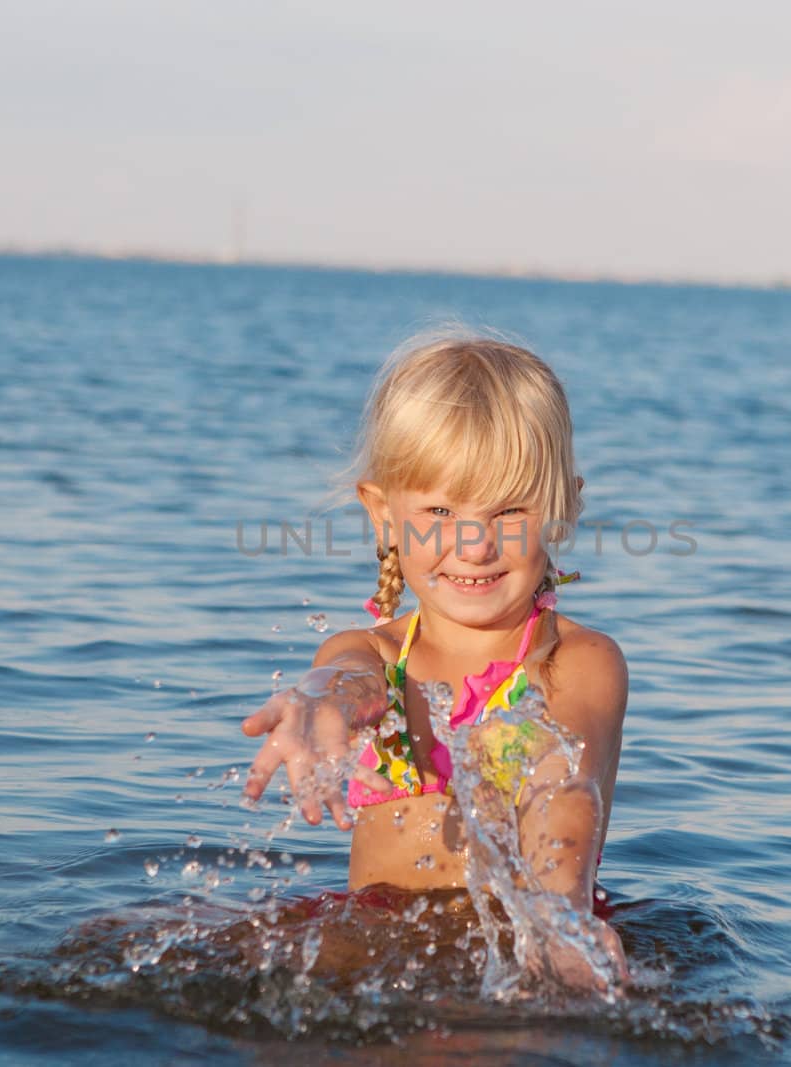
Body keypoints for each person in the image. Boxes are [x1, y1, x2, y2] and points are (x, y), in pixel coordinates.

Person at [240, 333, 628, 987]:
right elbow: (347, 680)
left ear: (561, 508)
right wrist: (319, 703)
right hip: (378, 946)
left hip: (529, 949)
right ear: (383, 513)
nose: (473, 546)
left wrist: (561, 920)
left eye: (508, 509)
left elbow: (563, 793)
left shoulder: (577, 662)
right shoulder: (374, 653)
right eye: (440, 510)